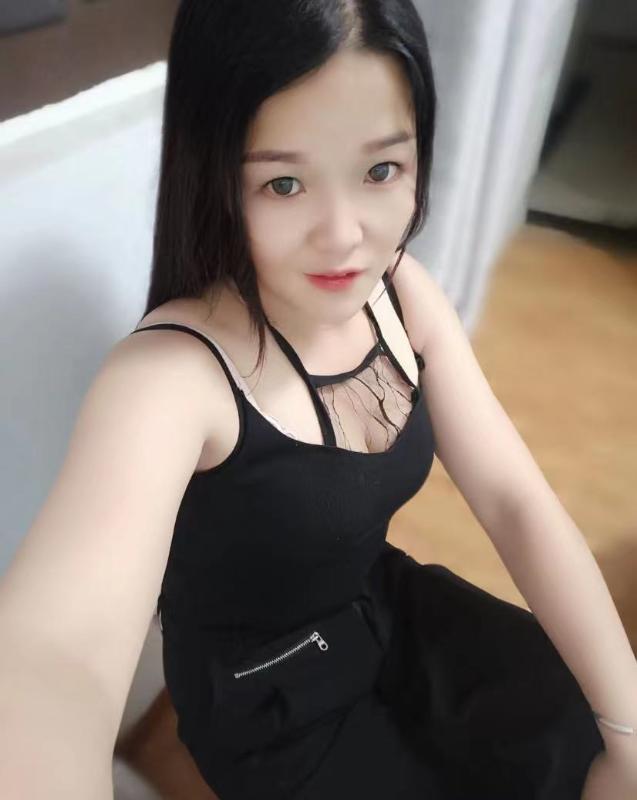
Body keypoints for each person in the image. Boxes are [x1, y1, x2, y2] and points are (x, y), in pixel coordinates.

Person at [1, 1, 636, 798]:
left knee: (579, 727)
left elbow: (513, 500)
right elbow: (56, 653)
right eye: (284, 183)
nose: (343, 236)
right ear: (216, 173)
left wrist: (626, 724)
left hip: (384, 609)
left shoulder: (400, 293)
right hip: (269, 704)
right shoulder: (170, 379)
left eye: (380, 171)